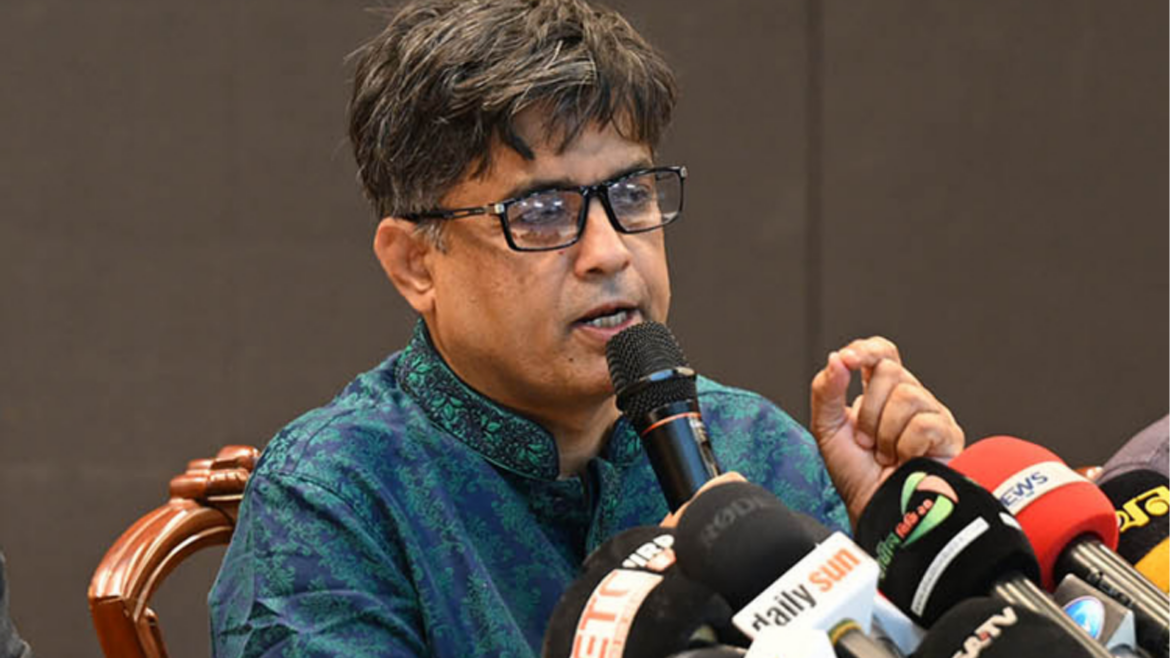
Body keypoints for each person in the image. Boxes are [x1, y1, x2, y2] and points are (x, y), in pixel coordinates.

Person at [208, 1, 964, 655]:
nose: (609, 252)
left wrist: (906, 547)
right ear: (415, 264)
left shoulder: (755, 447)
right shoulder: (337, 497)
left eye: (631, 193)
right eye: (541, 211)